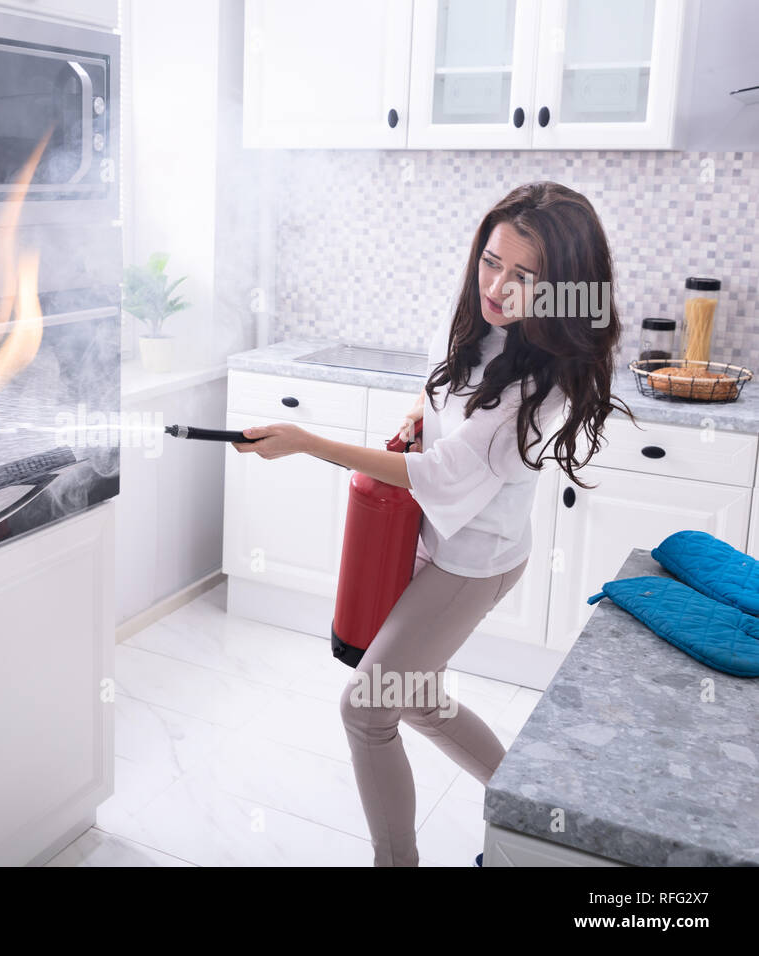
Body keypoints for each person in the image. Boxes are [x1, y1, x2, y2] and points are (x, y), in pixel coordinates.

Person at [233, 181, 635, 866]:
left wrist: (306, 441)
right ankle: (532, 817)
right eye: (490, 261)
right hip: (449, 543)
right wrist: (420, 409)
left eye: (523, 277)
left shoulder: (541, 389)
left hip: (473, 562)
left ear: (565, 288)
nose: (497, 286)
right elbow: (443, 378)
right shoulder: (477, 324)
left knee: (368, 709)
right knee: (416, 700)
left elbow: (446, 473)